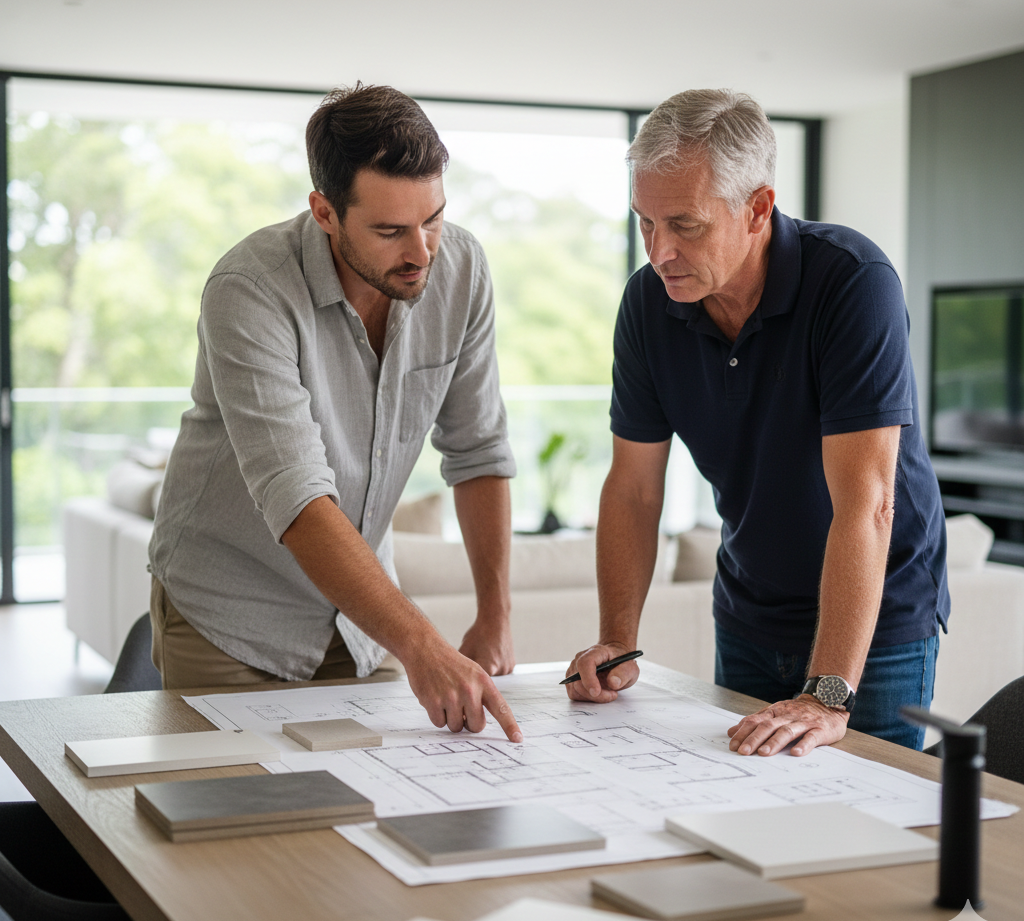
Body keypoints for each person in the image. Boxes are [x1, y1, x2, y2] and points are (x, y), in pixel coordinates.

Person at [564, 89, 948, 755]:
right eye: (645, 222)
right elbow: (633, 487)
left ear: (758, 208)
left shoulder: (853, 283)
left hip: (876, 628)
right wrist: (619, 640)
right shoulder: (649, 305)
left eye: (685, 224)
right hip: (749, 610)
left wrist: (827, 696)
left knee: (864, 839)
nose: (659, 251)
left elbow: (869, 502)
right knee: (742, 815)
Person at [149, 84, 522, 743]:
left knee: (384, 812)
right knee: (242, 836)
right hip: (234, 617)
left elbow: (478, 451)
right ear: (325, 211)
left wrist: (495, 613)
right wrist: (424, 645)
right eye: (389, 230)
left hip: (365, 625)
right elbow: (296, 493)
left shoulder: (460, 270)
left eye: (432, 218)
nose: (422, 252)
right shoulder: (250, 289)